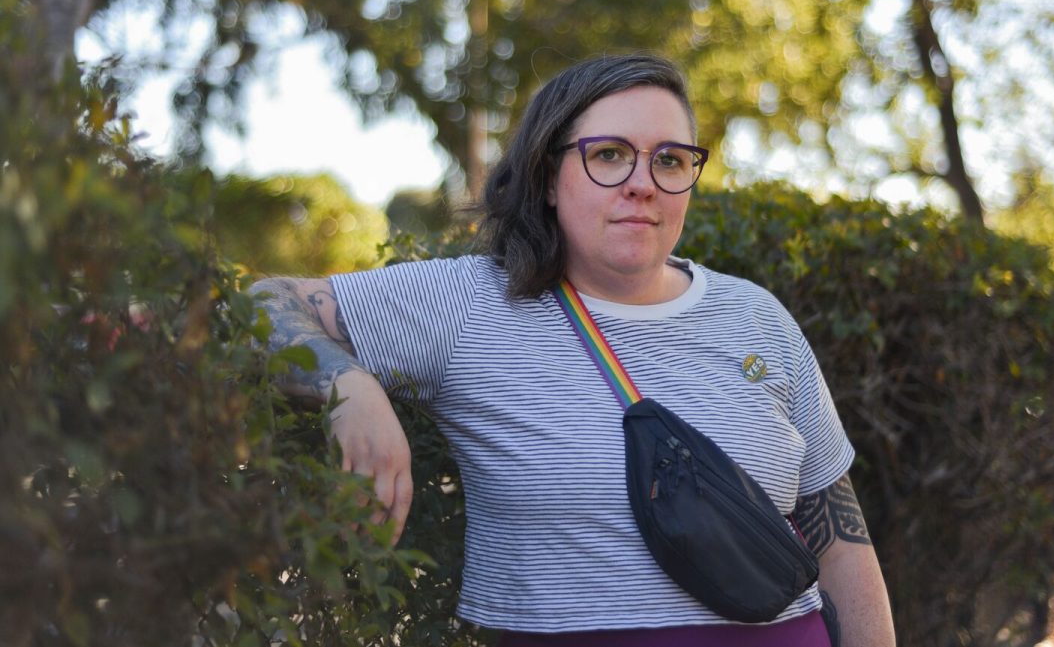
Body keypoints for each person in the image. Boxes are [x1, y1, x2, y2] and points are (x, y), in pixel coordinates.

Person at [252, 54, 895, 646]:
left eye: (670, 160)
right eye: (610, 154)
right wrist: (348, 387)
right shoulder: (467, 304)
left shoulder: (757, 316)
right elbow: (254, 305)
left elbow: (841, 541)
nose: (643, 183)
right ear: (549, 177)